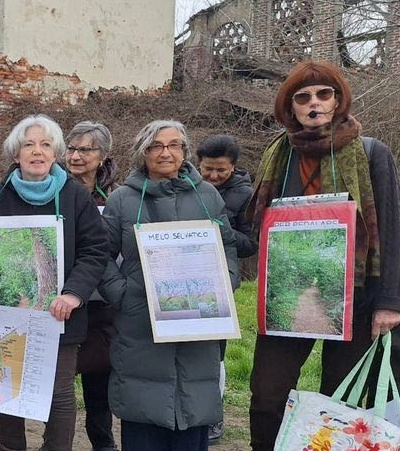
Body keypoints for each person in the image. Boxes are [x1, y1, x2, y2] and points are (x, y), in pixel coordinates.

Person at [247, 60, 400, 451]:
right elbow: (256, 218)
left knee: (341, 402)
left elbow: (393, 228)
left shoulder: (372, 153)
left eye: (324, 94)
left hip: (356, 295)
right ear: (291, 108)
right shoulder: (279, 155)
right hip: (288, 296)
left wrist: (389, 302)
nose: (314, 104)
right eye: (302, 98)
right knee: (266, 396)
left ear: (338, 101)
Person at [0, 114, 109, 451]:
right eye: (29, 144)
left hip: (60, 318)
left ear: (55, 153)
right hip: (5, 320)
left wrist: (73, 294)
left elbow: (96, 250)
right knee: (6, 391)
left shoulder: (75, 197)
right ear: (16, 155)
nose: (37, 151)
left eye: (45, 145)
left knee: (58, 395)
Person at [99, 119, 239, 451]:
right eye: (156, 146)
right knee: (143, 421)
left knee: (193, 418)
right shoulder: (122, 200)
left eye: (174, 145)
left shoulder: (207, 196)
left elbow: (228, 246)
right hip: (139, 326)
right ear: (142, 153)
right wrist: (122, 294)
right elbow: (99, 254)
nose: (165, 152)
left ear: (185, 151)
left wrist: (226, 283)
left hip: (199, 327)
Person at [195, 134, 256, 444]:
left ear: (234, 166)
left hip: (220, 281)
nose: (214, 176)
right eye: (208, 169)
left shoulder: (246, 196)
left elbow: (250, 244)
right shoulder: (189, 187)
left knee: (214, 353)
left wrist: (220, 227)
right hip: (183, 276)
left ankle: (213, 415)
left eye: (221, 170)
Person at [64, 121, 118, 451]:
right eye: (71, 148)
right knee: (59, 381)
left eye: (86, 149)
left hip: (102, 304)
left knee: (99, 381)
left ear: (103, 156)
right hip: (63, 300)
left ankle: (103, 443)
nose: (76, 156)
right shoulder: (53, 189)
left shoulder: (117, 195)